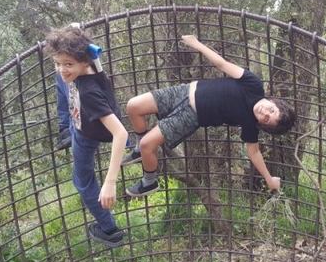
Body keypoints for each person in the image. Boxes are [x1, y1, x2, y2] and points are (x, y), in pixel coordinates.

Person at [122, 35, 296, 197]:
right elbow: (222, 64)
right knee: (133, 106)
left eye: (267, 119)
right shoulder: (254, 85)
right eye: (271, 110)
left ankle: (149, 182)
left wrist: (268, 178)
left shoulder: (250, 124)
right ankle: (138, 150)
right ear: (273, 101)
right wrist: (195, 43)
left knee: (147, 145)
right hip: (183, 91)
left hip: (190, 116)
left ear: (262, 124)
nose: (265, 113)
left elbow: (254, 152)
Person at [45, 25, 128, 248]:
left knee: (82, 181)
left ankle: (109, 230)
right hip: (77, 118)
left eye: (68, 64)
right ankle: (65, 129)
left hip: (88, 131)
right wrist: (72, 30)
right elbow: (69, 55)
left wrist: (110, 183)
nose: (62, 69)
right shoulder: (87, 63)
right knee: (60, 79)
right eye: (58, 62)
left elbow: (120, 133)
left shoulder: (89, 93)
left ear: (85, 62)